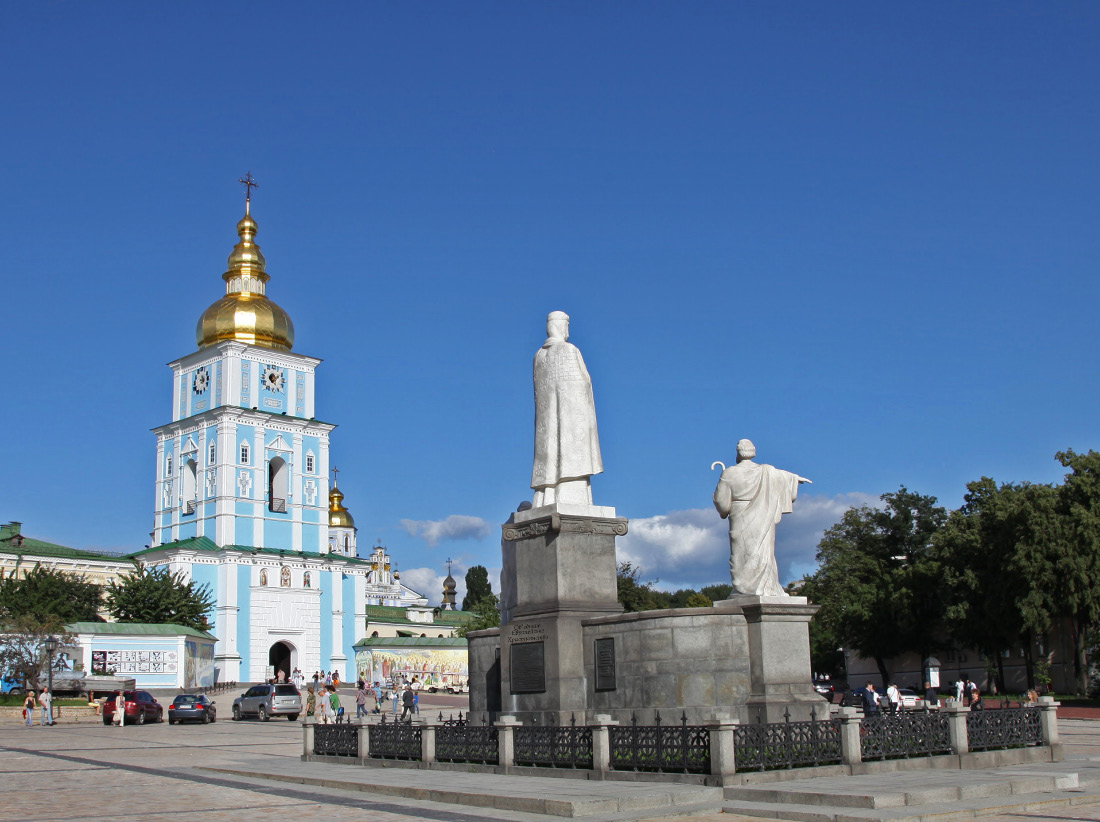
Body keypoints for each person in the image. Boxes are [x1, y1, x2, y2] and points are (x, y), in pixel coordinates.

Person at [713, 439, 811, 596]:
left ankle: (744, 588)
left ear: (738, 453)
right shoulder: (767, 471)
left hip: (740, 518)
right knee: (763, 551)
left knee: (742, 554)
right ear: (754, 452)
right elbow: (784, 478)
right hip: (763, 515)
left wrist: (718, 499)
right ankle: (765, 587)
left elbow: (723, 504)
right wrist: (795, 479)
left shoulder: (729, 473)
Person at [531, 311, 603, 507]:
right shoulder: (569, 351)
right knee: (568, 447)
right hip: (571, 419)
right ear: (562, 327)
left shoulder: (538, 357)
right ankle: (571, 491)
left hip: (547, 424)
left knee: (550, 448)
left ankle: (548, 492)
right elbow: (582, 383)